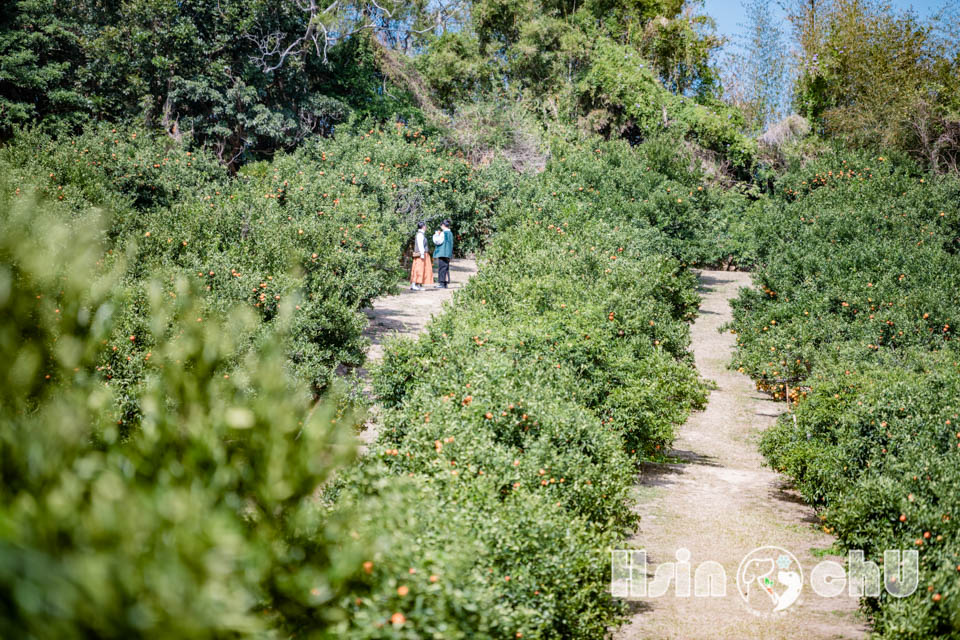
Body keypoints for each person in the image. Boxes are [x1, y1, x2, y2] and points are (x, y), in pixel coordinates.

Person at [410, 221, 432, 291]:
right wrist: (422, 255)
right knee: (418, 269)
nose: (426, 227)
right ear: (423, 227)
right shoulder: (420, 235)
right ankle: (413, 285)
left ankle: (418, 284)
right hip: (420, 255)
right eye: (425, 226)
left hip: (423, 254)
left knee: (421, 269)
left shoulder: (421, 234)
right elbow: (420, 246)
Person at [432, 219, 454, 288]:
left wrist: (436, 235)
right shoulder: (450, 233)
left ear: (443, 225)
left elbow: (438, 241)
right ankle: (445, 283)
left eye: (441, 225)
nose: (441, 227)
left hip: (442, 252)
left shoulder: (443, 233)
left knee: (442, 268)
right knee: (446, 268)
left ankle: (441, 283)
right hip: (448, 253)